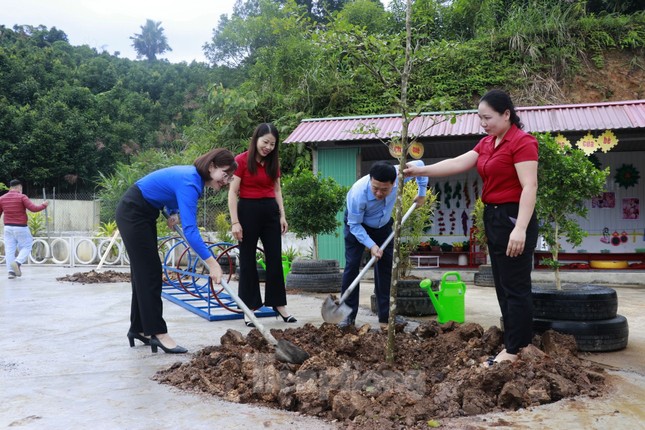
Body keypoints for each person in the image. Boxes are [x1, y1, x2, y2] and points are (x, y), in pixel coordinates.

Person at [404, 89, 538, 366]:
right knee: (502, 285)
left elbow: (530, 186)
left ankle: (516, 348)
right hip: (494, 217)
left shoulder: (522, 143)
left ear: (506, 114)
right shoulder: (487, 143)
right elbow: (456, 163)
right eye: (480, 118)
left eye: (487, 117)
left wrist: (521, 228)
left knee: (516, 286)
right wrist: (421, 171)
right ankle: (512, 342)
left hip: (514, 217)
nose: (483, 123)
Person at [115, 148, 236, 354]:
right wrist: (212, 263)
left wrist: (173, 212)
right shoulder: (190, 181)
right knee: (150, 272)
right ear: (211, 167)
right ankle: (158, 333)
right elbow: (191, 231)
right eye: (224, 174)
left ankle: (139, 329)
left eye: (229, 177)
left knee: (143, 273)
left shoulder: (193, 179)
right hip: (134, 212)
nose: (225, 181)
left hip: (143, 212)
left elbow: (169, 193)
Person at [339, 160, 428, 328]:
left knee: (386, 267)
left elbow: (421, 165)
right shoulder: (358, 193)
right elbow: (355, 225)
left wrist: (421, 193)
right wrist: (371, 245)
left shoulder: (400, 174)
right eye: (375, 188)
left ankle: (385, 317)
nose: (379, 193)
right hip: (357, 226)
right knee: (352, 266)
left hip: (383, 226)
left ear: (394, 182)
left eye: (384, 190)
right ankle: (347, 316)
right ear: (370, 180)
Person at [228, 123, 294, 327]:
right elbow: (232, 192)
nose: (268, 147)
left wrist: (282, 215)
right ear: (256, 139)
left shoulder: (273, 163)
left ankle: (279, 305)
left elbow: (277, 190)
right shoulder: (241, 160)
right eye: (265, 142)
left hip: (270, 213)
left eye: (272, 144)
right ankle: (249, 308)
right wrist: (235, 222)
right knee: (247, 261)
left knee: (274, 258)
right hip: (247, 211)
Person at [0, 179, 49, 279]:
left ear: (10, 187)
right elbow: (34, 209)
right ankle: (17, 263)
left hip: (7, 227)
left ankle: (11, 272)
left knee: (9, 249)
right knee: (27, 246)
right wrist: (44, 205)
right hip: (20, 227)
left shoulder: (2, 198)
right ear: (19, 187)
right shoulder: (22, 197)